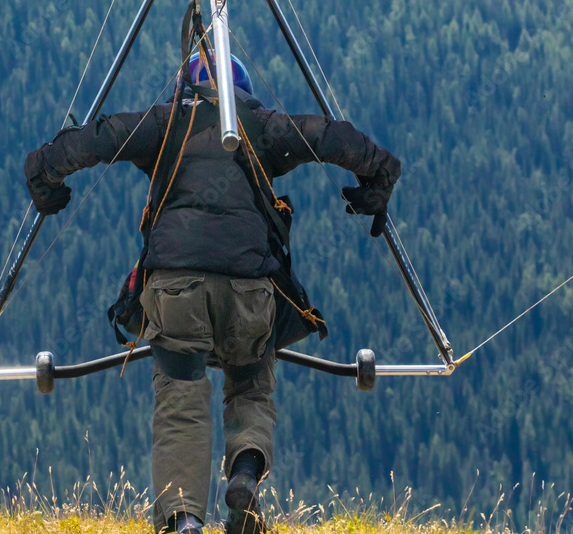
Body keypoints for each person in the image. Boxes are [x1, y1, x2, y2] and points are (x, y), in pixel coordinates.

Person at [24, 54, 401, 534]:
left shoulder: (164, 123)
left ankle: (184, 520)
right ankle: (244, 475)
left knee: (180, 400)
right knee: (251, 382)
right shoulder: (263, 127)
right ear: (243, 92)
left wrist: (44, 171)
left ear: (184, 90)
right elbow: (329, 136)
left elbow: (98, 138)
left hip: (176, 288)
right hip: (249, 289)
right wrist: (380, 172)